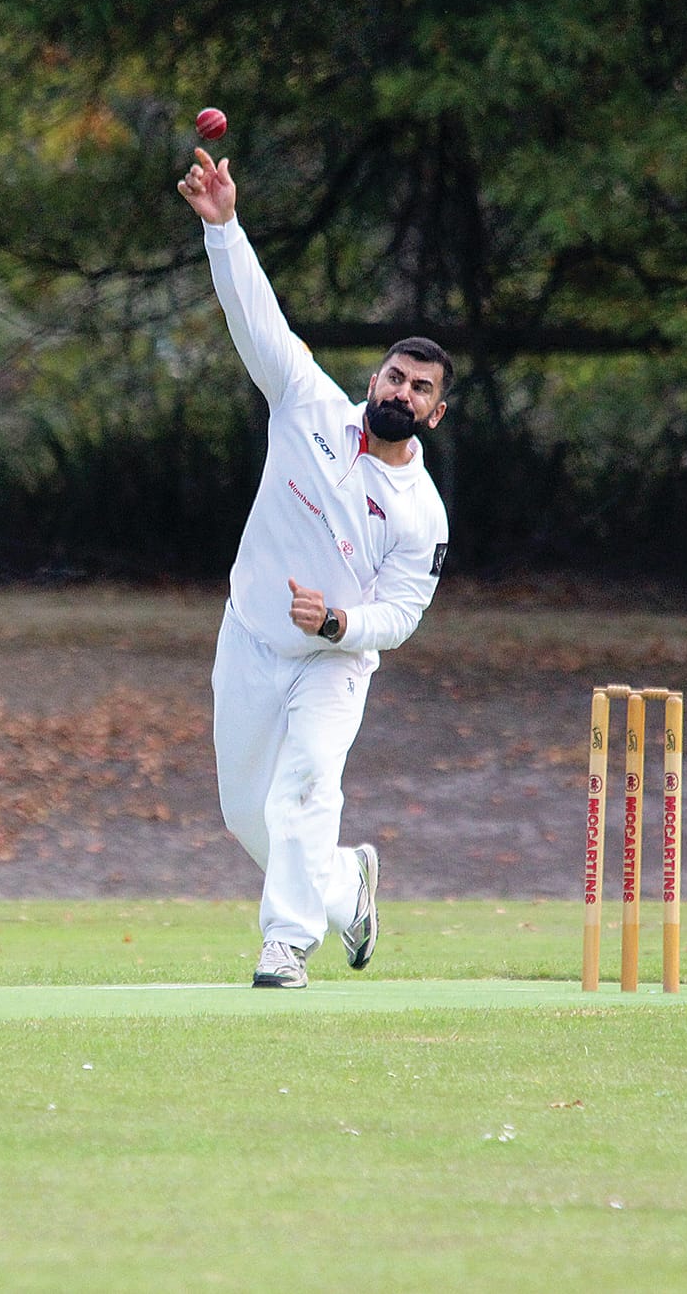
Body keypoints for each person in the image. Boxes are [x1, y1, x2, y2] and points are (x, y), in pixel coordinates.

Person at [176, 147, 452, 989]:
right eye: (395, 375)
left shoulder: (422, 514)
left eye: (420, 388)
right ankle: (345, 882)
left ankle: (285, 945)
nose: (401, 391)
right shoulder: (308, 404)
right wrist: (223, 227)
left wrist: (338, 623)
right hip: (250, 637)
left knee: (302, 794)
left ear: (436, 414)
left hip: (332, 664)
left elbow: (401, 616)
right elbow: (256, 315)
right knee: (246, 815)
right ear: (374, 378)